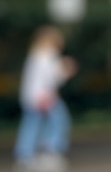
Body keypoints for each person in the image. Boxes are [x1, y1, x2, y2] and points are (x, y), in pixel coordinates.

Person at [14, 25, 76, 172]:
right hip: (43, 98)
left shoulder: (34, 55)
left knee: (31, 125)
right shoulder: (46, 56)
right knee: (59, 121)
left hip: (31, 97)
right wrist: (65, 71)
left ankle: (25, 156)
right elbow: (51, 78)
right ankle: (50, 152)